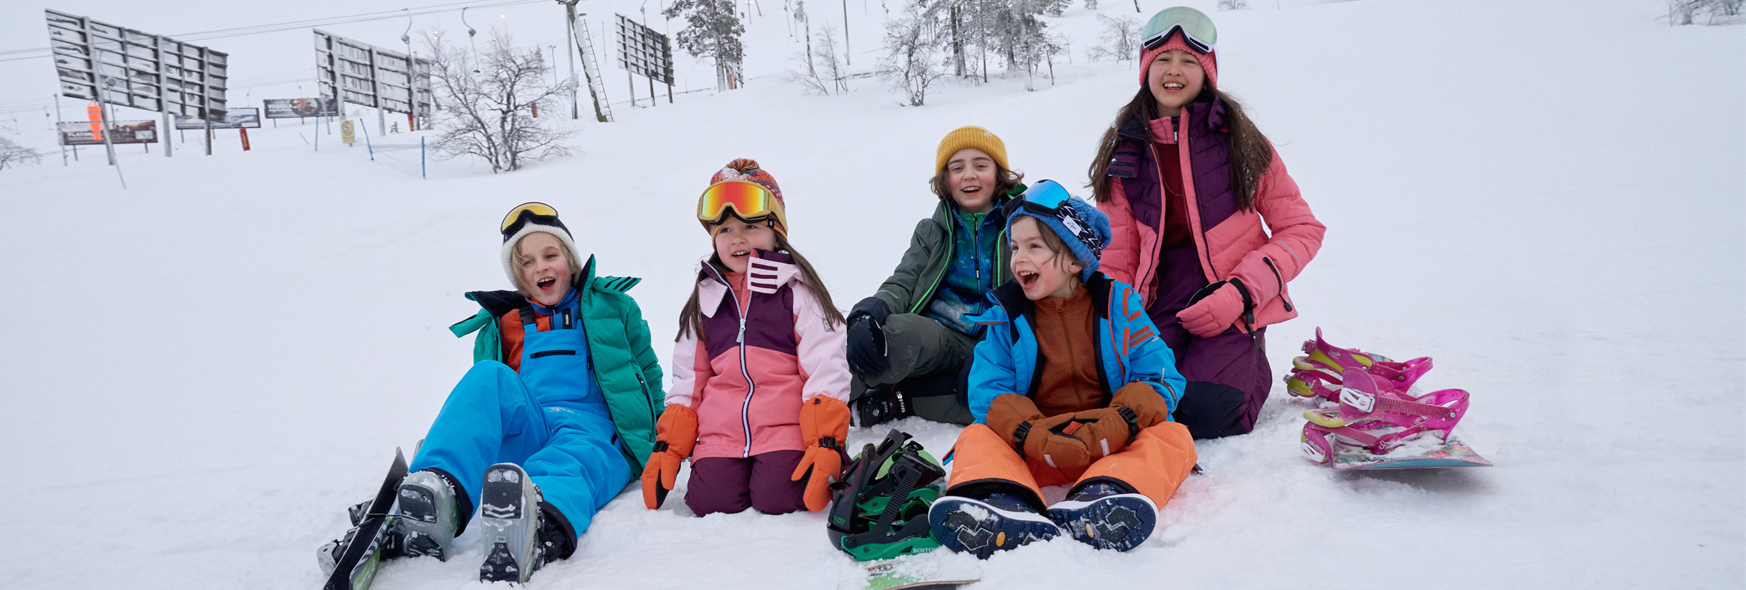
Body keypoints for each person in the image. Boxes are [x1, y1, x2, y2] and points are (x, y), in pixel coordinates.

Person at [321, 202, 665, 584]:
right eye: (528, 262)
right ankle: (438, 493)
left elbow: (647, 372)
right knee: (488, 375)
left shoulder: (612, 307)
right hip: (534, 424)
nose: (541, 267)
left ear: (571, 260)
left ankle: (537, 516)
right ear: (519, 277)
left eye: (551, 255)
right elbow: (484, 405)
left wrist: (664, 441)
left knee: (570, 460)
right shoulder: (505, 323)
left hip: (595, 431)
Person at [1090, 6, 1326, 439]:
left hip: (1230, 289)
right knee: (1142, 403)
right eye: (1162, 59)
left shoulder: (1240, 142)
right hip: (1158, 296)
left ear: (1207, 72)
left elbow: (1301, 229)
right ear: (1145, 69)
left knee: (1208, 410)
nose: (1173, 70)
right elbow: (1116, 253)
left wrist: (1241, 293)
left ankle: (1248, 355)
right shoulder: (1125, 150)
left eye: (1188, 61)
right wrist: (1117, 320)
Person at [927, 181, 1197, 558]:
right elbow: (988, 393)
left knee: (1172, 434)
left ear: (1075, 260)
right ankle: (1000, 500)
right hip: (1038, 444)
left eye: (1034, 247)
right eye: (1015, 247)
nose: (1019, 258)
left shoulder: (1120, 306)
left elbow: (1160, 377)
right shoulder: (1006, 317)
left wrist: (1121, 421)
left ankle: (1107, 494)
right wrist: (1031, 433)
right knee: (977, 436)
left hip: (1111, 442)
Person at [642, 159, 854, 516]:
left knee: (780, 497)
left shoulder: (796, 291)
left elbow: (825, 367)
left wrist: (825, 440)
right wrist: (670, 446)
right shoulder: (706, 300)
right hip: (720, 434)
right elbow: (689, 379)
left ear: (776, 231)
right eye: (725, 229)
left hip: (786, 428)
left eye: (750, 226)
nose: (737, 238)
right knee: (709, 502)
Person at [845, 126, 1027, 427]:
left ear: (999, 175)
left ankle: (903, 399)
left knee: (998, 399)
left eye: (981, 165)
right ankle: (823, 400)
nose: (969, 175)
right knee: (897, 334)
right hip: (939, 337)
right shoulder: (932, 231)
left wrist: (990, 353)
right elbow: (905, 279)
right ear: (946, 180)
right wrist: (872, 309)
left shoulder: (1020, 227)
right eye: (957, 168)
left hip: (997, 343)